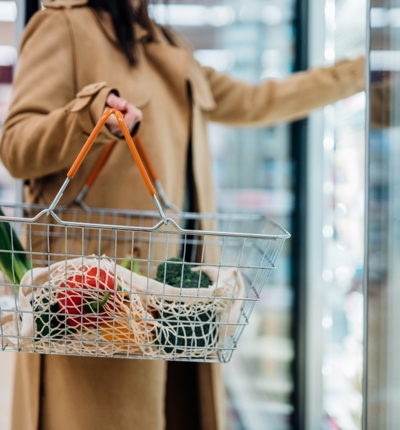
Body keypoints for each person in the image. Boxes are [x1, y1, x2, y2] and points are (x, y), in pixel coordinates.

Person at [0, 0, 365, 429]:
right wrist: (88, 115)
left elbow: (254, 101)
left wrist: (359, 72)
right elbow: (16, 147)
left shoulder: (166, 40)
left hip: (179, 301)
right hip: (96, 306)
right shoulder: (61, 26)